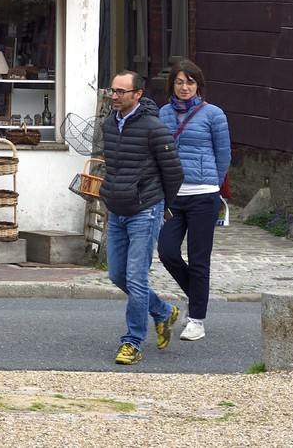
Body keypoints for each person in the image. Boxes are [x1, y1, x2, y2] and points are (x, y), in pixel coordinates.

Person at [100, 70, 184, 365]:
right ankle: (162, 311)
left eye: (121, 91)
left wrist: (162, 206)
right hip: (118, 209)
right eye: (113, 90)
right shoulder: (109, 124)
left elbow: (174, 172)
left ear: (137, 95)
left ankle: (132, 342)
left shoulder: (154, 127)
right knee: (117, 275)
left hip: (145, 211)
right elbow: (112, 167)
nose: (114, 96)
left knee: (136, 278)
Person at [156, 58, 231, 342]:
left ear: (198, 85)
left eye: (189, 82)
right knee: (167, 252)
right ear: (171, 85)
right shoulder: (163, 114)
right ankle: (198, 295)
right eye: (179, 81)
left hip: (203, 195)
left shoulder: (213, 114)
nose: (184, 87)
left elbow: (223, 155)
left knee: (199, 260)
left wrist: (211, 183)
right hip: (173, 197)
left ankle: (196, 319)